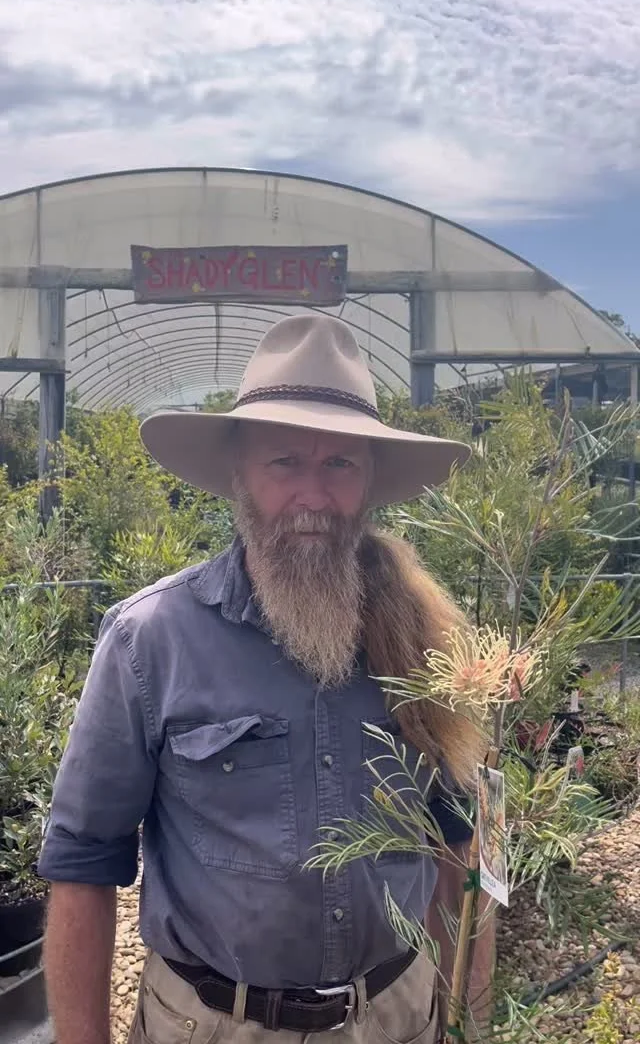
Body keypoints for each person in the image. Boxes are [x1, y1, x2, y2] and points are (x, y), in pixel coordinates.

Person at [38, 313, 492, 1044]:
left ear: (372, 478)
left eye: (340, 464)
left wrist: (467, 1011)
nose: (313, 495)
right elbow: (83, 860)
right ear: (238, 473)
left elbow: (456, 838)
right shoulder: (151, 640)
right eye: (285, 461)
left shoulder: (426, 637)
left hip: (397, 1017)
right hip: (216, 1027)